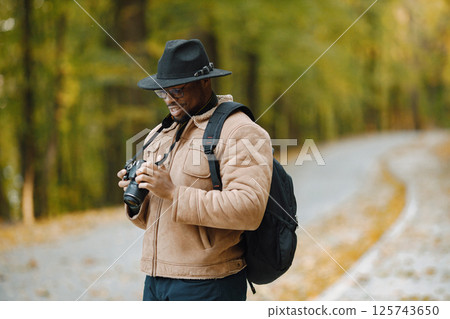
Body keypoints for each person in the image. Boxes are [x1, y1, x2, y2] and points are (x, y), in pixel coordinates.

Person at [117, 39, 273, 301]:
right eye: (161, 91)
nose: (168, 99)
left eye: (177, 90)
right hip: (155, 281)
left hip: (209, 282)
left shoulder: (239, 131)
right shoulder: (159, 134)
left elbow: (249, 209)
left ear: (205, 82)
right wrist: (138, 200)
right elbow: (154, 220)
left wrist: (174, 192)